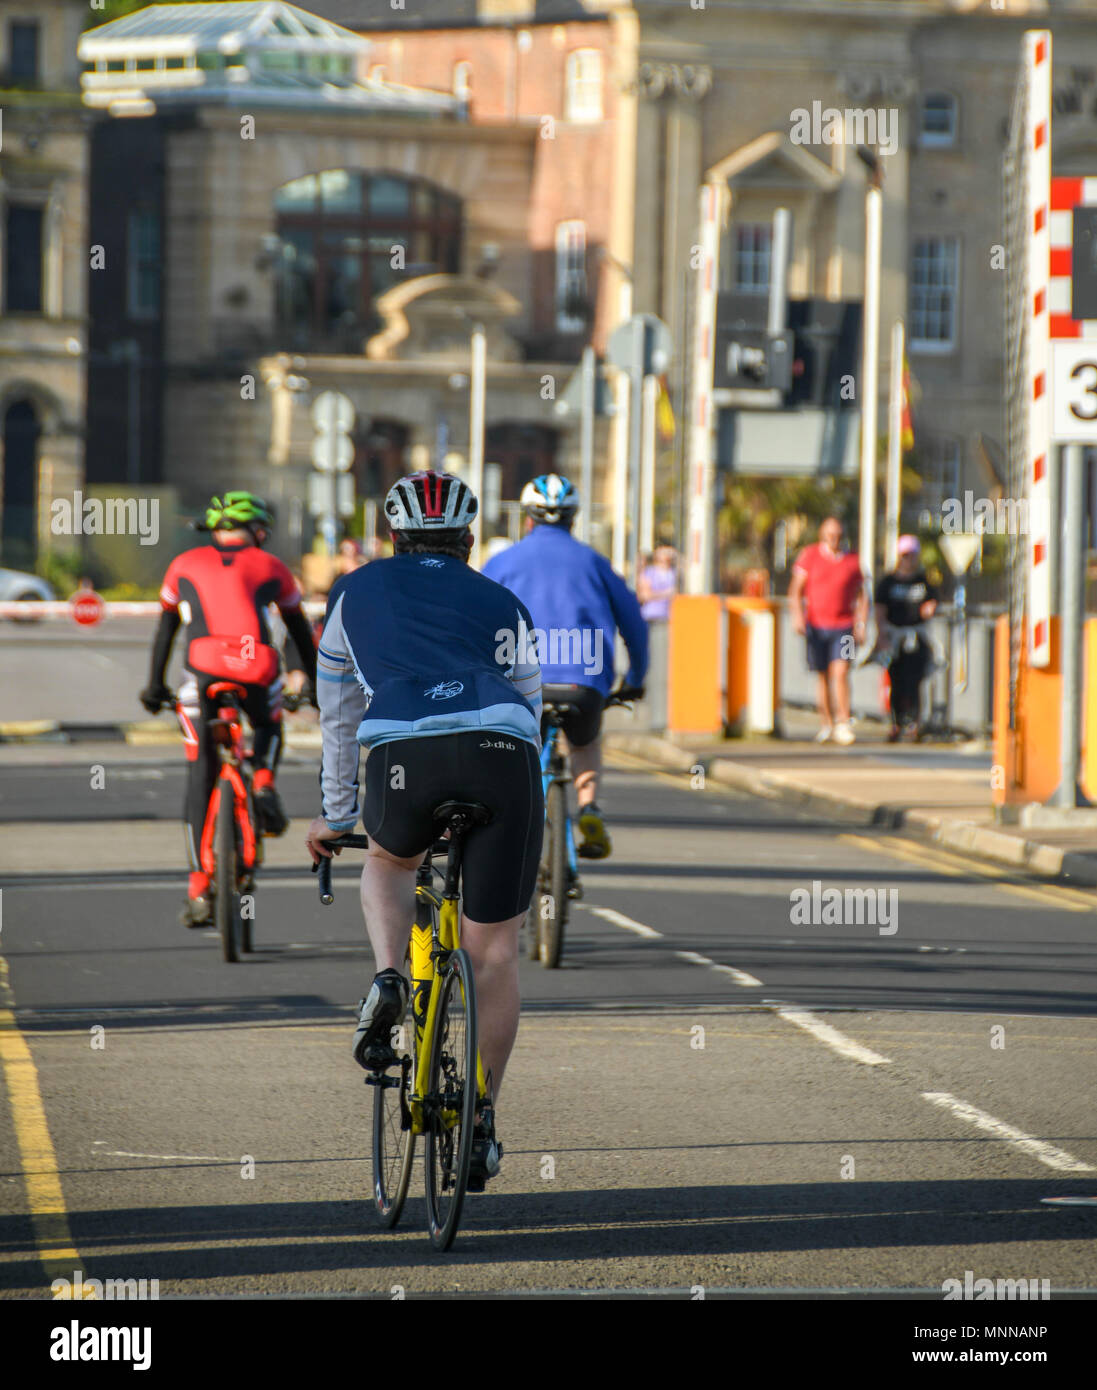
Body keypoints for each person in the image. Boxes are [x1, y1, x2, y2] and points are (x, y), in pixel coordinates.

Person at [305, 470, 544, 1191]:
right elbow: (533, 710)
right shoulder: (502, 599)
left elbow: (338, 712)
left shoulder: (354, 589)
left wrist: (336, 812)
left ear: (392, 538)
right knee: (494, 952)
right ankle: (480, 1124)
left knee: (386, 862)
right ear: (470, 541)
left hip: (405, 751)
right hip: (503, 751)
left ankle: (386, 976)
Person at [140, 492, 318, 926]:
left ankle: (199, 888)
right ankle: (260, 779)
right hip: (255, 665)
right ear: (258, 531)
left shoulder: (182, 563)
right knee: (268, 721)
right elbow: (299, 631)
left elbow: (165, 629)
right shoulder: (272, 566)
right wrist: (311, 684)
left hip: (200, 674)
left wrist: (154, 686)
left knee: (199, 776)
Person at [482, 473, 648, 860]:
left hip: (521, 685)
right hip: (583, 681)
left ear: (527, 519)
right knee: (585, 743)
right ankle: (588, 807)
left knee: (513, 751)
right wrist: (636, 678)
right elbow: (635, 624)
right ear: (573, 520)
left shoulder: (503, 561)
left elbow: (475, 617)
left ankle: (513, 824)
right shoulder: (595, 562)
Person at [788, 515, 867, 746]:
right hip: (816, 626)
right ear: (823, 535)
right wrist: (797, 617)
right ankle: (827, 723)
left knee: (841, 672)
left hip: (845, 626)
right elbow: (795, 590)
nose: (834, 539)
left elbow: (863, 596)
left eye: (838, 536)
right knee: (822, 674)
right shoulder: (810, 555)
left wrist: (861, 624)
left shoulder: (853, 561)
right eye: (830, 535)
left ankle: (843, 722)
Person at [874, 534, 938, 742]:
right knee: (896, 680)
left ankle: (914, 724)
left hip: (917, 637)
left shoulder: (924, 581)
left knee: (915, 680)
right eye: (904, 555)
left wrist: (931, 607)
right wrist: (881, 635)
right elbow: (880, 610)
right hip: (895, 637)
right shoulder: (888, 582)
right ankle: (896, 723)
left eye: (911, 556)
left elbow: (934, 600)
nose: (907, 560)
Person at [637, 545, 678, 623]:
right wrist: (667, 593)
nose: (666, 555)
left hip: (671, 616)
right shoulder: (648, 572)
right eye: (663, 552)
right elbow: (644, 595)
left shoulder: (675, 573)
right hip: (651, 616)